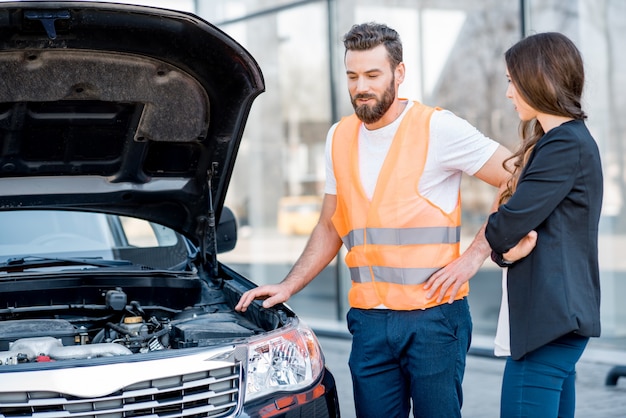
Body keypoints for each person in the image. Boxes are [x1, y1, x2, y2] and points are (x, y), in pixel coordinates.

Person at [236, 22, 511, 417]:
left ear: (399, 73)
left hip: (434, 319)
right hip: (369, 323)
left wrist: (475, 255)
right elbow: (330, 224)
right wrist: (288, 284)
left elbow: (515, 176)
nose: (360, 86)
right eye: (352, 76)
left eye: (372, 75)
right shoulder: (338, 137)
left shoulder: (437, 128)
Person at [484, 32, 603, 418]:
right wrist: (505, 251)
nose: (508, 93)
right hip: (555, 326)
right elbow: (513, 237)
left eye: (511, 81)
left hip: (548, 327)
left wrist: (502, 241)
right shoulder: (565, 141)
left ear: (541, 79)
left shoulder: (564, 145)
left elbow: (503, 229)